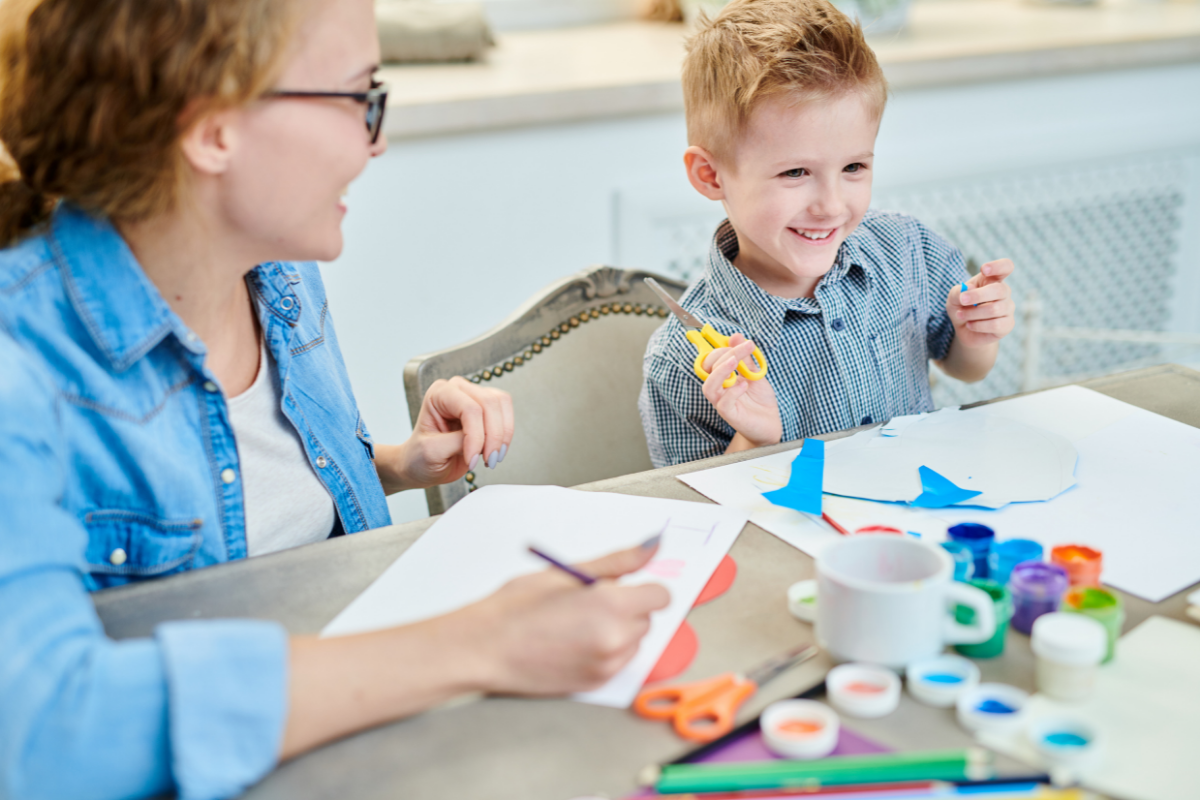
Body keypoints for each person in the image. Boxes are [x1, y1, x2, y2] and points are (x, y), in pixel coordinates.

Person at [0, 1, 670, 798]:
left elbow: (250, 491)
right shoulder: (22, 361)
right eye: (360, 99)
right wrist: (477, 645)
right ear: (213, 126)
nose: (375, 140)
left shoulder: (278, 271)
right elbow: (45, 732)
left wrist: (391, 463)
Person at [638, 0, 1018, 467]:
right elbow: (698, 515)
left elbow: (964, 369)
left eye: (854, 167)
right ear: (710, 176)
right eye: (796, 172)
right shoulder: (679, 359)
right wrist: (753, 444)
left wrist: (976, 336)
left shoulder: (908, 250)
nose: (832, 206)